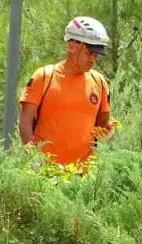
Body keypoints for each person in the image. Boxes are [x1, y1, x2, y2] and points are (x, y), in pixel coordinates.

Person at [19, 16, 114, 167]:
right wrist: (33, 157)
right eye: (89, 53)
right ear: (72, 45)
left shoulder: (99, 82)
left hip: (83, 177)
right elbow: (25, 122)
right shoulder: (44, 77)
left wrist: (108, 132)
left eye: (96, 55)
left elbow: (103, 124)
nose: (93, 59)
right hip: (46, 173)